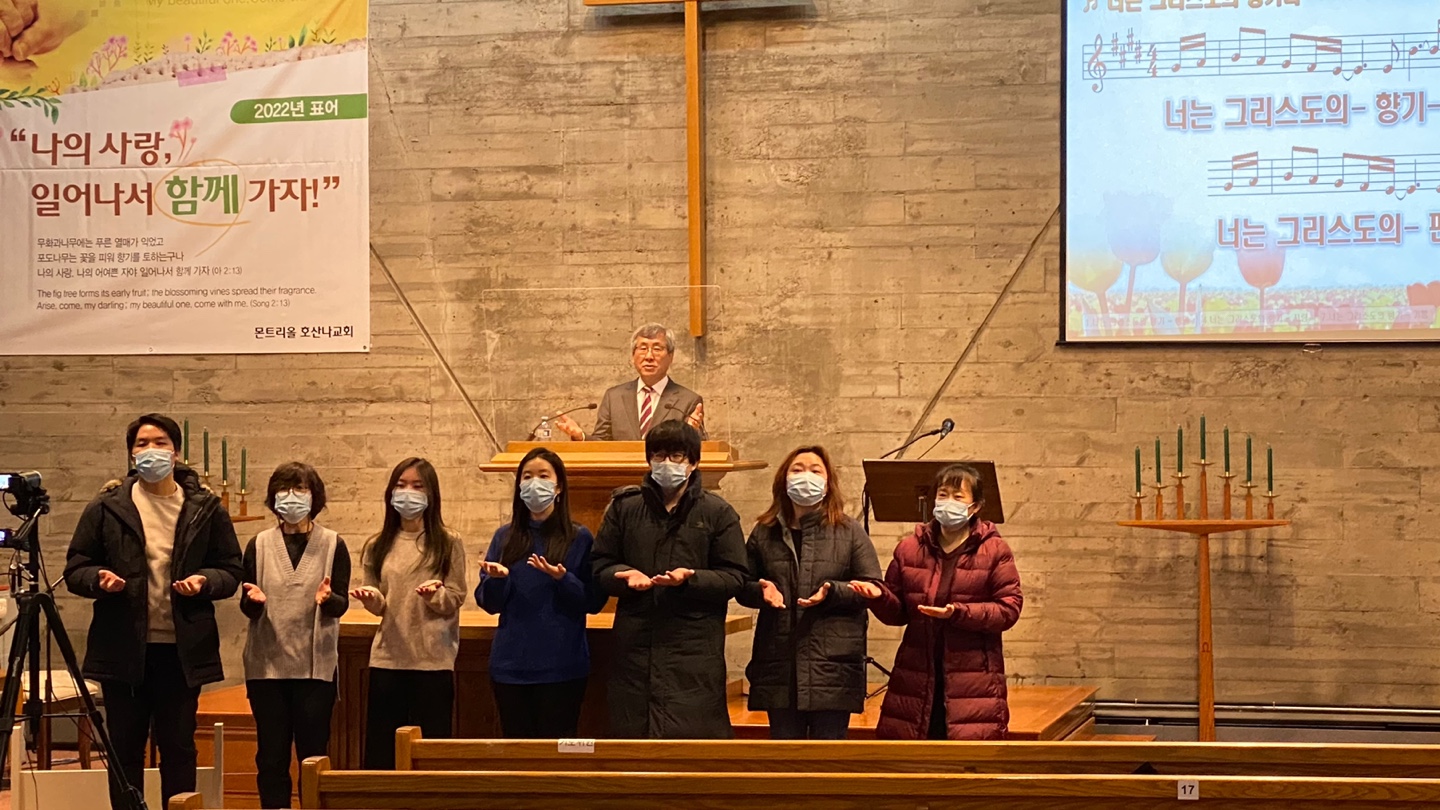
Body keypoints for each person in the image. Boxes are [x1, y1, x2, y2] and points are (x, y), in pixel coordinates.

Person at [63, 413, 243, 808]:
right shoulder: (107, 506)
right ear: (131, 454)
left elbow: (231, 569)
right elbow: (76, 567)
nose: (150, 451)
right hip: (124, 647)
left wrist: (205, 581)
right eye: (141, 444)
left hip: (181, 650)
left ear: (176, 452)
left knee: (179, 748)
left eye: (159, 443)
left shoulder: (205, 507)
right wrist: (97, 579)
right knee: (124, 749)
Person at [592, 420, 747, 738]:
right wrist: (623, 576)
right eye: (659, 455)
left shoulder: (717, 512)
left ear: (693, 462)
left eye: (677, 456)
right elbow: (600, 564)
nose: (667, 463)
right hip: (635, 647)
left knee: (690, 744)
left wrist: (691, 579)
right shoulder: (625, 508)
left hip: (693, 650)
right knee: (633, 741)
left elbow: (735, 577)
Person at [863, 463, 1023, 740]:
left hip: (972, 681)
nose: (948, 502)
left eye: (958, 497)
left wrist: (958, 613)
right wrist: (879, 597)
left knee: (966, 760)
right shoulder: (909, 548)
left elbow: (1009, 608)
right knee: (911, 756)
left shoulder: (995, 549)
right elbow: (898, 613)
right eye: (943, 495)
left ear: (975, 506)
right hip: (916, 675)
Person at [736, 446, 883, 740]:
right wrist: (760, 591)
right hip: (779, 664)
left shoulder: (849, 530)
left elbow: (872, 586)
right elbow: (741, 584)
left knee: (828, 757)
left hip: (832, 667)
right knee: (784, 755)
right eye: (797, 469)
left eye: (815, 471)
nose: (806, 477)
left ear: (828, 482)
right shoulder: (764, 531)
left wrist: (833, 592)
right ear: (784, 479)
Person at [239, 462, 350, 808]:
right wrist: (253, 602)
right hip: (266, 668)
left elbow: (341, 604)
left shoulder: (333, 544)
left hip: (314, 669)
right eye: (283, 490)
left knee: (312, 756)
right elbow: (247, 605)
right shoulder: (258, 544)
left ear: (314, 496)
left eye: (300, 489)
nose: (291, 497)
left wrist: (329, 600)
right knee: (271, 757)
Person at [350, 457, 467, 769]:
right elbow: (379, 600)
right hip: (388, 658)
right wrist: (371, 599)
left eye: (417, 486)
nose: (408, 492)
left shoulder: (448, 541)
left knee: (430, 754)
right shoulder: (378, 544)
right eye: (401, 485)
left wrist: (434, 596)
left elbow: (456, 596)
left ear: (431, 494)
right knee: (382, 752)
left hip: (432, 660)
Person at [475, 447, 600, 738]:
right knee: (516, 751)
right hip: (511, 666)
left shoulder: (578, 537)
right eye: (527, 477)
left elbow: (593, 600)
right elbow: (488, 603)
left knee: (556, 752)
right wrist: (497, 580)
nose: (534, 483)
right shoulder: (505, 537)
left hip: (562, 665)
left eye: (543, 476)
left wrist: (563, 578)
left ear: (558, 487)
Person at [554, 323, 706, 441]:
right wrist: (581, 437)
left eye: (657, 349)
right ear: (633, 356)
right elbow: (602, 444)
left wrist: (692, 433)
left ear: (671, 356)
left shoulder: (688, 400)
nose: (649, 356)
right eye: (643, 348)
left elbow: (700, 448)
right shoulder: (614, 397)